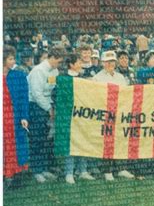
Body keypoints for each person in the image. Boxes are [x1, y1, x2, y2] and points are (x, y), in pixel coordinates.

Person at [92, 51, 135, 181]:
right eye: (107, 61)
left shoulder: (120, 77)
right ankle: (107, 170)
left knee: (121, 141)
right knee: (108, 142)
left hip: (120, 112)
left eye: (112, 61)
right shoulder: (97, 78)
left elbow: (126, 93)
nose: (110, 64)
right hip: (106, 113)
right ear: (103, 63)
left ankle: (121, 168)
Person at [27, 46, 66, 183]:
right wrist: (49, 109)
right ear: (52, 58)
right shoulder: (38, 71)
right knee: (36, 139)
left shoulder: (54, 71)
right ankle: (36, 170)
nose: (60, 65)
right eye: (59, 61)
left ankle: (44, 168)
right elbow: (37, 94)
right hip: (36, 107)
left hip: (48, 105)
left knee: (46, 139)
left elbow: (53, 89)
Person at [59, 53, 95, 184]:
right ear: (71, 65)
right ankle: (69, 172)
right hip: (68, 117)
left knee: (83, 141)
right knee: (71, 144)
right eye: (79, 62)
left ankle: (83, 170)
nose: (81, 65)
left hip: (82, 116)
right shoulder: (62, 79)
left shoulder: (83, 78)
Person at [4, 46, 29, 185]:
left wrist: (24, 117)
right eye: (10, 58)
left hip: (13, 117)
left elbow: (24, 98)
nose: (13, 61)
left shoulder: (19, 76)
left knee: (14, 146)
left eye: (13, 58)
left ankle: (14, 174)